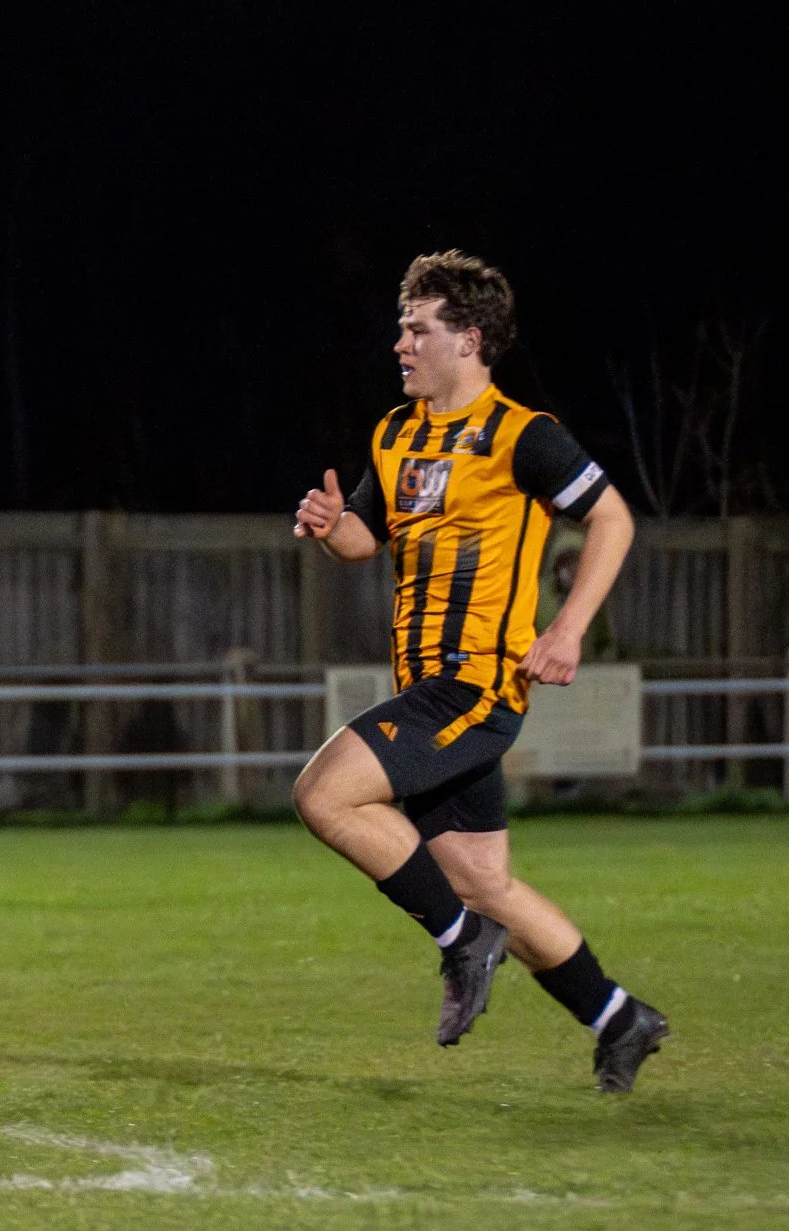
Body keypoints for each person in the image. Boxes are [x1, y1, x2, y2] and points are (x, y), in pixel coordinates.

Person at [291, 250, 666, 1093]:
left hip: (478, 687)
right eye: (400, 326)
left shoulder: (524, 435)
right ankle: (616, 1016)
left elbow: (611, 518)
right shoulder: (396, 434)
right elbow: (364, 537)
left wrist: (567, 628)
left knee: (324, 794)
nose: (400, 343)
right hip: (425, 688)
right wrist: (331, 525)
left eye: (417, 328)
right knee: (482, 879)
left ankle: (460, 942)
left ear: (470, 338)